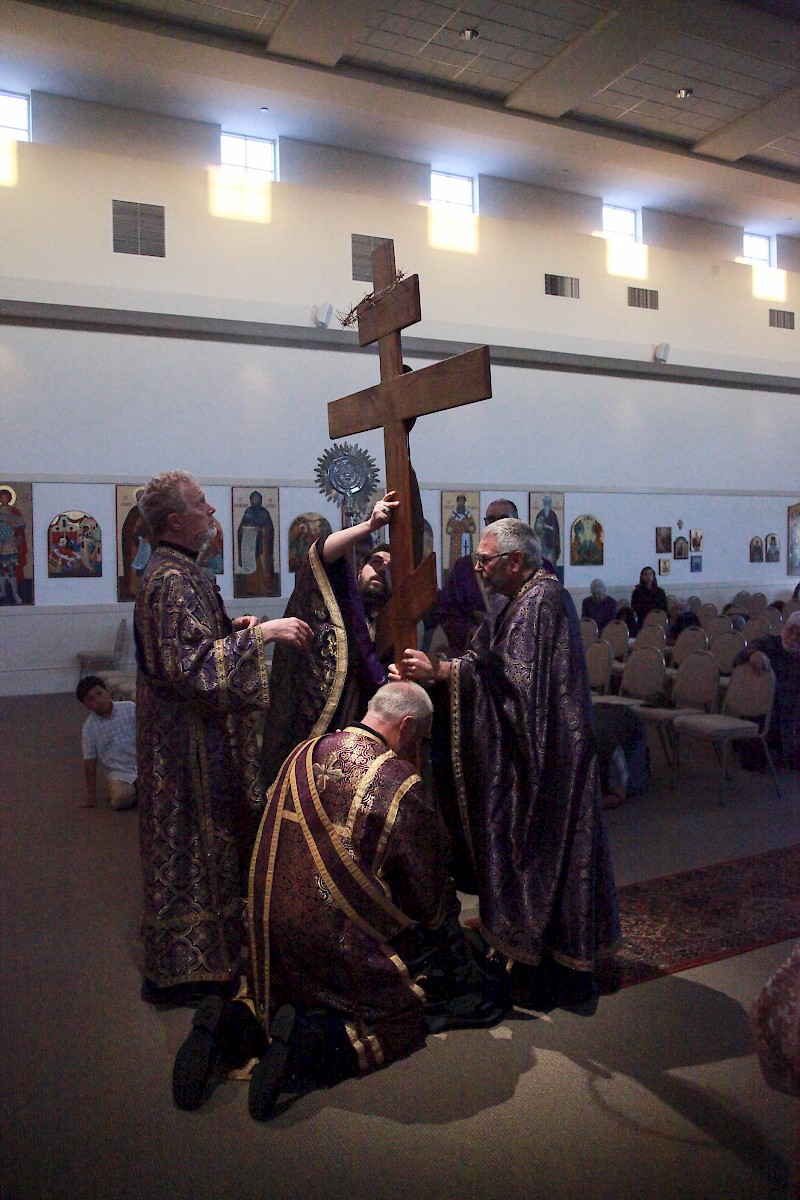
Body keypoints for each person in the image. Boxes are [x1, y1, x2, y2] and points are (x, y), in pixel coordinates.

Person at [171, 682, 508, 1115]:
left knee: (267, 993)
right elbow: (425, 898)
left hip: (265, 937)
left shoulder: (302, 751)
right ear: (407, 726)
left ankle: (224, 1022)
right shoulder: (400, 783)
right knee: (402, 1013)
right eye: (418, 739)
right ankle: (306, 1045)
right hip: (332, 947)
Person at [398, 519, 620, 1010]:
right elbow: (488, 662)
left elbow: (514, 684)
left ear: (515, 561)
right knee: (535, 853)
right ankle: (530, 953)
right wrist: (443, 671)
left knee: (545, 854)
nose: (478, 568)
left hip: (550, 757)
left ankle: (552, 964)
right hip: (535, 749)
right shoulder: (514, 600)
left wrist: (444, 671)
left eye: (485, 560)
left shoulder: (542, 600)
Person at [134, 470, 312, 1008]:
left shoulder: (180, 569)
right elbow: (188, 668)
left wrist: (230, 631)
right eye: (202, 504)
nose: (213, 512)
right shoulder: (171, 578)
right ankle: (193, 970)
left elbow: (189, 643)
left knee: (208, 843)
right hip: (185, 750)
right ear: (175, 521)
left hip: (193, 739)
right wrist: (264, 635)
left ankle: (211, 955)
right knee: (193, 845)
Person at [261, 493, 398, 792]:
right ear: (359, 568)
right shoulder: (335, 605)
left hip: (356, 735)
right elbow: (319, 557)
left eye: (390, 568)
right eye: (376, 562)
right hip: (309, 727)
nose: (382, 570)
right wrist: (370, 525)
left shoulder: (395, 628)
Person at [436, 498, 519, 655]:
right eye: (491, 519)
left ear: (516, 522)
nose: (496, 524)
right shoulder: (464, 567)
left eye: (503, 519)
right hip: (477, 654)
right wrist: (473, 632)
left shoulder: (535, 564)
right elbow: (448, 613)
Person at [736, 610, 800, 770]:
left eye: (799, 635)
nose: (792, 638)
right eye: (790, 631)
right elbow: (738, 658)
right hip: (767, 711)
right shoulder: (768, 643)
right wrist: (753, 653)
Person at [76, 675, 137, 810]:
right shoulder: (89, 729)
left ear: (108, 691)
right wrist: (91, 795)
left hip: (143, 763)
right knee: (121, 799)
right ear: (86, 706)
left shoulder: (130, 708)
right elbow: (90, 761)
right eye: (90, 699)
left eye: (100, 693)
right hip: (120, 771)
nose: (98, 700)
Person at [0, 486, 27, 605]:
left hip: (9, 542)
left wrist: (12, 523)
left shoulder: (14, 511)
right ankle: (3, 591)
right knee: (0, 569)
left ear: (9, 498)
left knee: (11, 568)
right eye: (2, 497)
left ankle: (15, 593)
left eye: (5, 497)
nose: (3, 499)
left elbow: (21, 525)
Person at [533, 494, 561, 569]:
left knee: (551, 560)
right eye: (545, 502)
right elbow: (537, 528)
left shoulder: (553, 514)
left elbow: (556, 528)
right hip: (542, 541)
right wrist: (543, 526)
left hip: (551, 542)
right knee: (542, 559)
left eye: (548, 502)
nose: (547, 503)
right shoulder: (540, 513)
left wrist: (551, 529)